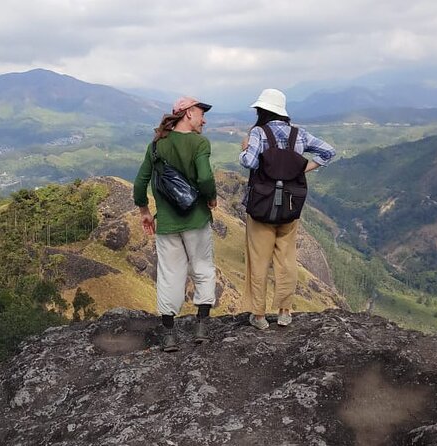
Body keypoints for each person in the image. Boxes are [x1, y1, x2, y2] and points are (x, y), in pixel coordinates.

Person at [239, 88, 336, 330]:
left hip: (262, 204)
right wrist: (301, 169)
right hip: (290, 205)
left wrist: (244, 147)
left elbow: (249, 162)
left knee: (259, 260)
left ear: (262, 111)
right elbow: (328, 151)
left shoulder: (259, 133)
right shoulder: (299, 135)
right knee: (286, 259)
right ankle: (284, 312)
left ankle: (259, 316)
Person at [133, 96, 218, 352]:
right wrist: (211, 197)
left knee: (170, 275)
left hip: (167, 224)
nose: (204, 119)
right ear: (188, 113)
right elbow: (204, 177)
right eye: (201, 113)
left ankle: (169, 335)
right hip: (196, 220)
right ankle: (201, 328)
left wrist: (145, 211)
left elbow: (140, 183)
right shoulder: (199, 142)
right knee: (202, 268)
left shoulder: (157, 145)